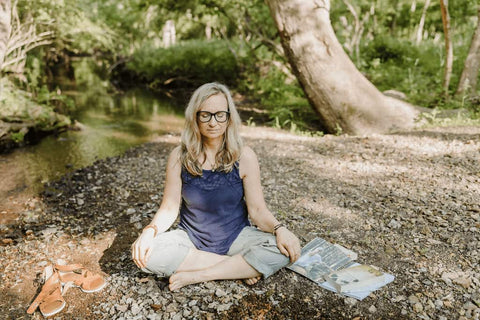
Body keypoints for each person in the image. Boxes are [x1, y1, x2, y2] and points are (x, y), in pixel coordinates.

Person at [131, 82, 301, 291]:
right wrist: (149, 231)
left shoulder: (245, 156)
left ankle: (200, 274)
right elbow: (169, 207)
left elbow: (257, 211)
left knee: (283, 250)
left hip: (237, 237)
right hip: (191, 240)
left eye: (220, 114)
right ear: (195, 117)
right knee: (147, 254)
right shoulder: (179, 156)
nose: (213, 122)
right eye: (206, 115)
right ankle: (239, 268)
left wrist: (280, 229)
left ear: (229, 117)